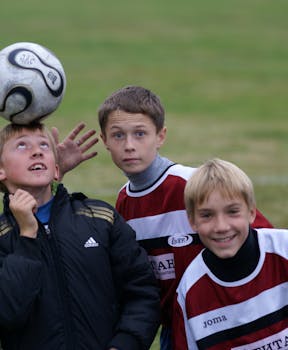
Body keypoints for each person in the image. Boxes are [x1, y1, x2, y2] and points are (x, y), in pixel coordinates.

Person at [59, 85, 273, 350]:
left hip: (229, 319)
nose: (129, 146)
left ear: (160, 136)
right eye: (118, 135)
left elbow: (263, 243)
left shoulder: (193, 185)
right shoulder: (124, 202)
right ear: (104, 141)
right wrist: (56, 173)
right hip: (175, 329)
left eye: (140, 134)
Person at [0, 122, 160, 350]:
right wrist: (27, 235)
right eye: (22, 146)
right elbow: (8, 313)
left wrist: (125, 344)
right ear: (1, 171)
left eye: (44, 145)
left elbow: (142, 290)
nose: (36, 151)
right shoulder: (3, 237)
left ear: (56, 169)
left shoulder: (100, 218)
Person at [173, 158, 288, 350]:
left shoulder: (283, 249)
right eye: (207, 215)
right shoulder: (190, 292)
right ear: (192, 221)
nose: (221, 227)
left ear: (251, 212)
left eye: (232, 211)